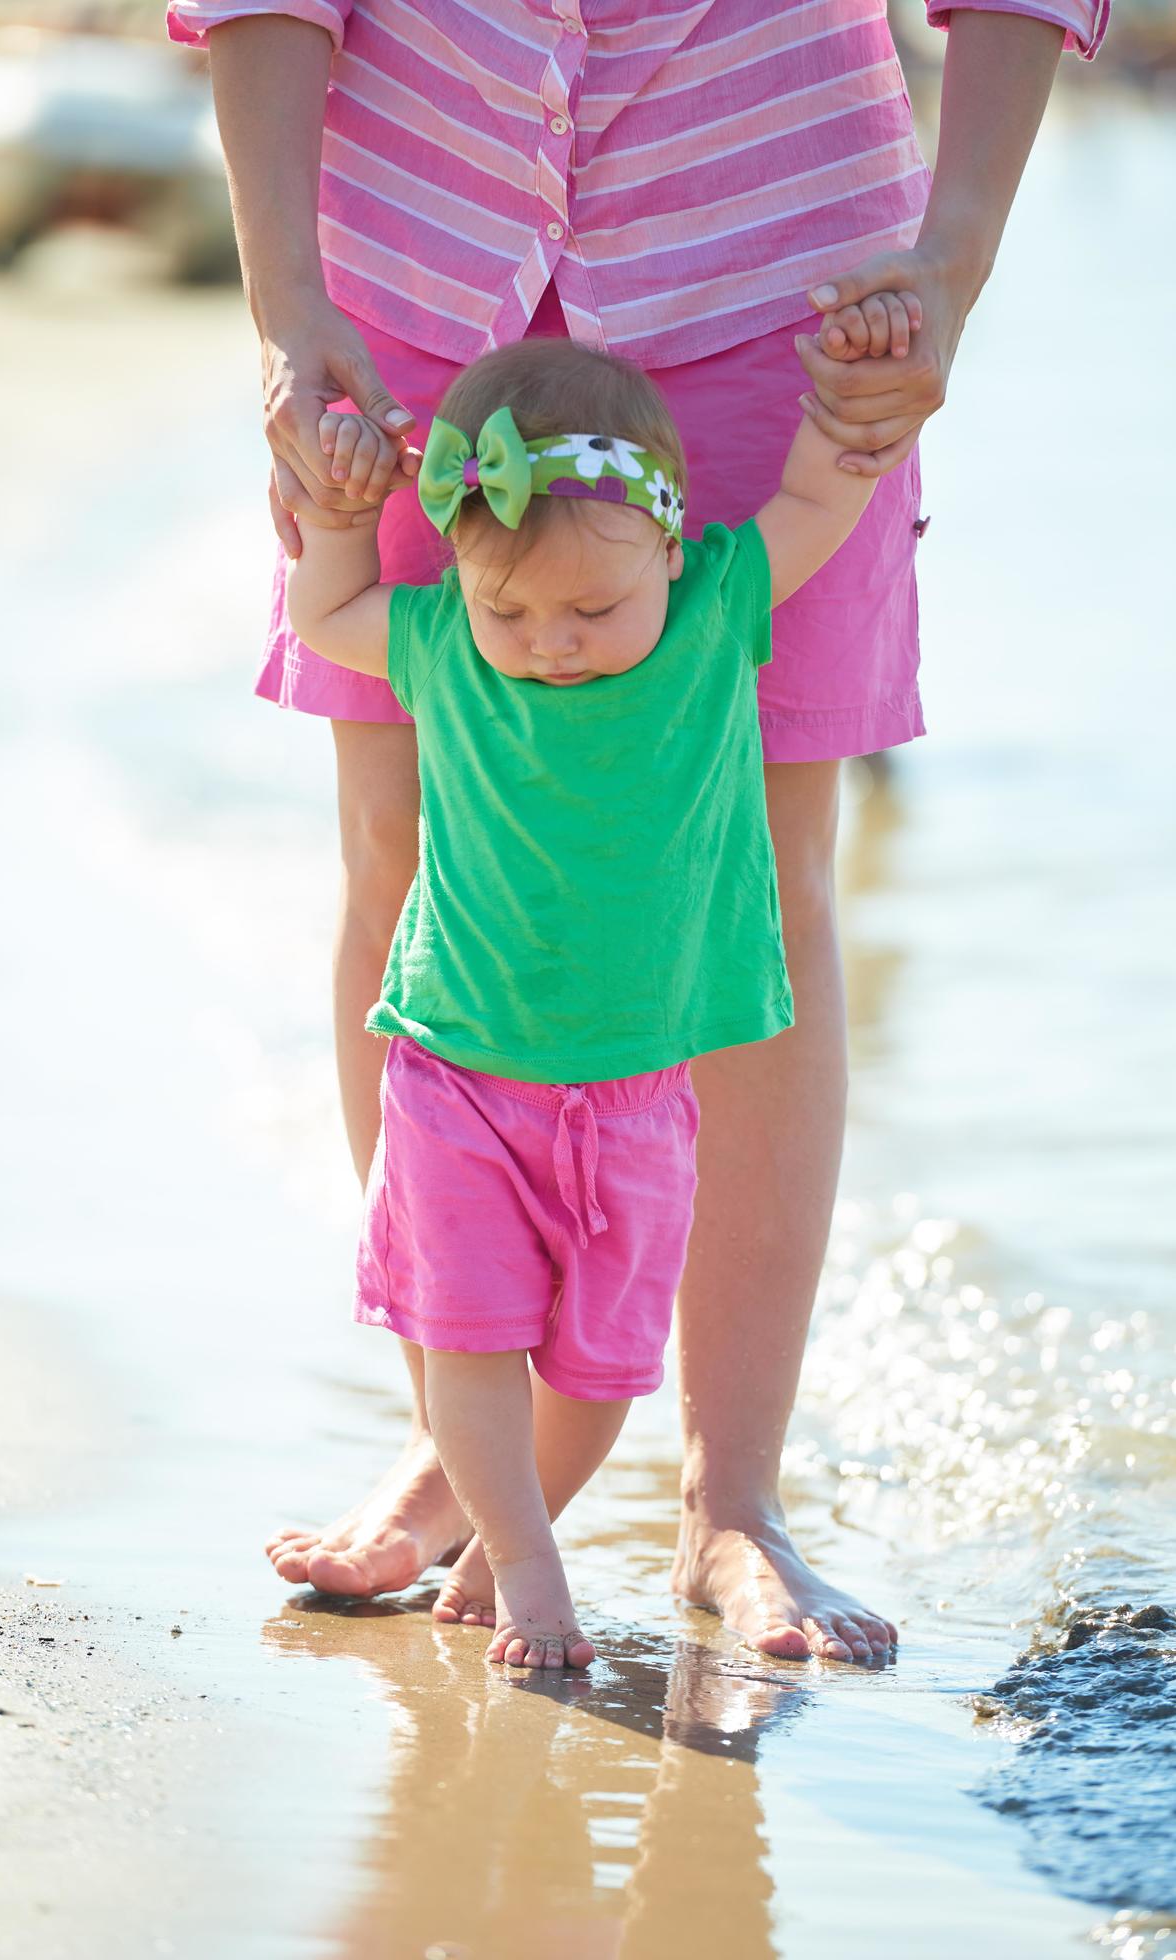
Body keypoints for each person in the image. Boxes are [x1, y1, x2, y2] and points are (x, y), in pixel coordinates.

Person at [173, 0, 1105, 1664]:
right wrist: (285, 296)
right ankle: (470, 1459)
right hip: (406, 242)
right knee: (397, 859)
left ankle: (731, 1500)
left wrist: (951, 259)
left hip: (782, 273)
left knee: (756, 886)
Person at [287, 332, 887, 1666]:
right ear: (463, 581)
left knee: (602, 1364)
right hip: (455, 1072)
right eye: (513, 614)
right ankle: (523, 1564)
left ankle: (532, 1534)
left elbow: (819, 500)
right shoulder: (444, 640)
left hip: (638, 1089)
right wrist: (336, 519)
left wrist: (855, 392)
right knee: (469, 1328)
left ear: (673, 548)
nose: (551, 646)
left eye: (591, 614)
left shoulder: (722, 606)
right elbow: (332, 618)